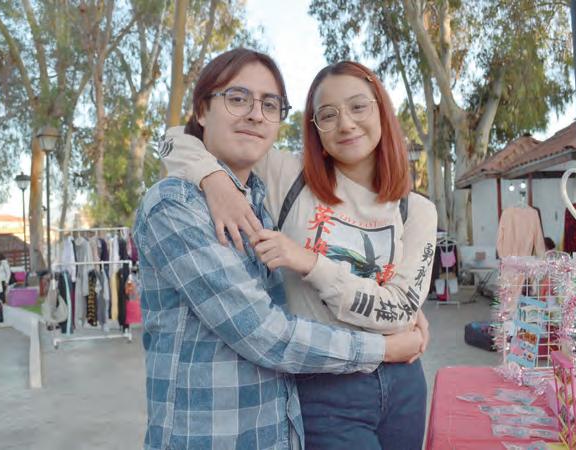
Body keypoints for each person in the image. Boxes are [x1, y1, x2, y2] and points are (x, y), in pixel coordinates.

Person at [134, 49, 429, 450]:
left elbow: (400, 304)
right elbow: (174, 140)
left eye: (269, 105)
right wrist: (211, 178)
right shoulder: (275, 182)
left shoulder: (259, 197)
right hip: (286, 403)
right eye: (238, 98)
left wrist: (397, 311)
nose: (346, 123)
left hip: (367, 392)